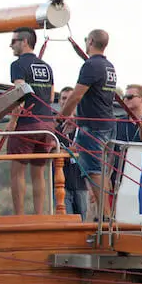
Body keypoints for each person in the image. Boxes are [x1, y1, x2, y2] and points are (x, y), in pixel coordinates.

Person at [57, 29, 117, 219]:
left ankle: (105, 218)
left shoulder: (91, 65)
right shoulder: (108, 66)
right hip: (107, 123)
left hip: (93, 127)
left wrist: (61, 117)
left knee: (94, 172)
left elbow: (76, 95)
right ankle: (106, 216)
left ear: (90, 41)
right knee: (103, 172)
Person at [8, 27, 55, 215]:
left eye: (13, 41)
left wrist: (12, 122)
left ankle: (19, 216)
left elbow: (19, 95)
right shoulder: (46, 66)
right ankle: (39, 215)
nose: (11, 45)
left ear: (24, 42)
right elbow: (51, 97)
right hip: (47, 124)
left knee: (17, 172)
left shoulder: (17, 65)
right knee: (39, 173)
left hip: (27, 123)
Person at [56, 87, 88, 219]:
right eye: (64, 98)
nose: (67, 101)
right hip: (60, 184)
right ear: (59, 102)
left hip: (82, 183)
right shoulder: (54, 127)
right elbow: (50, 150)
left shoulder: (85, 126)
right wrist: (68, 151)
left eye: (70, 98)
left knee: (84, 220)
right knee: (66, 220)